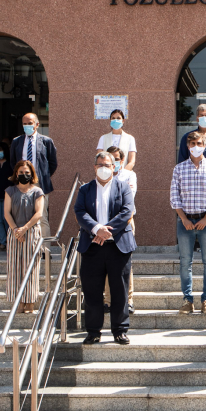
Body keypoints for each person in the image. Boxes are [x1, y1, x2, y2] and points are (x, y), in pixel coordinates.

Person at [75, 151, 136, 345]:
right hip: (92, 245)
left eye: (107, 165)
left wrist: (107, 231)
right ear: (94, 167)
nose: (104, 168)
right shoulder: (85, 189)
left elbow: (127, 211)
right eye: (100, 164)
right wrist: (96, 229)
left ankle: (120, 330)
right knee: (92, 291)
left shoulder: (123, 187)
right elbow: (80, 211)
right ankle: (93, 331)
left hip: (118, 246)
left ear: (114, 167)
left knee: (120, 290)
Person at [170, 131, 206, 315]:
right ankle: (187, 300)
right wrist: (183, 218)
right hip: (185, 221)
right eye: (191, 143)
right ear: (187, 146)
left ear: (205, 145)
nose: (195, 146)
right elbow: (174, 196)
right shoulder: (179, 169)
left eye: (198, 143)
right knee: (186, 262)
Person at [4, 161, 45, 314]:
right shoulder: (10, 191)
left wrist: (25, 228)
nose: (24, 175)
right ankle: (18, 301)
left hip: (31, 232)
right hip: (15, 232)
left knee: (31, 268)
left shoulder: (37, 191)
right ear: (16, 173)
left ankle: (30, 303)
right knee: (15, 268)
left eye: (27, 172)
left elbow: (39, 213)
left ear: (32, 174)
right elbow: (6, 212)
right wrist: (16, 229)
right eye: (21, 172)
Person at [10, 113, 58, 242]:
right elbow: (13, 162)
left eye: (30, 123)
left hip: (39, 184)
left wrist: (42, 177)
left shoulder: (46, 141)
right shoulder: (17, 141)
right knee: (21, 215)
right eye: (24, 124)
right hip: (22, 184)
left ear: (37, 124)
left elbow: (52, 163)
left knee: (41, 216)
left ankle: (44, 251)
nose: (27, 126)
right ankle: (27, 245)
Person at [103, 145, 137, 314]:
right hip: (105, 225)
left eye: (116, 159)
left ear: (122, 160)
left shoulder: (129, 175)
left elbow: (128, 203)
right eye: (111, 159)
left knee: (125, 264)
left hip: (126, 223)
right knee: (107, 264)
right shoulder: (102, 176)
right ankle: (108, 301)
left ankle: (128, 300)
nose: (113, 162)